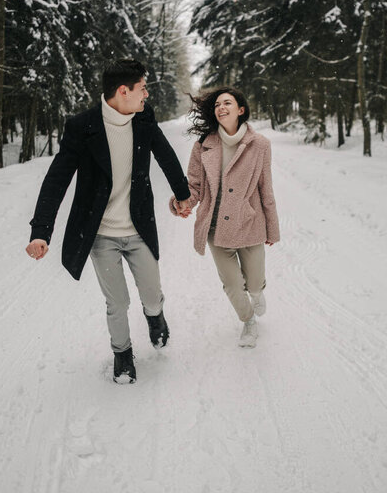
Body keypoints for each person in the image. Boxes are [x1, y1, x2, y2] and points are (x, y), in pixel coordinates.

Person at [26, 59, 190, 384]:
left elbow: (165, 153)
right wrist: (40, 231)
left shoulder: (143, 117)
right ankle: (123, 355)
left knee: (152, 293)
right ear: (123, 91)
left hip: (139, 228)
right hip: (101, 235)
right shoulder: (82, 127)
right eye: (143, 88)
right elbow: (57, 179)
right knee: (117, 302)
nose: (146, 95)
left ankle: (155, 317)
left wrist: (182, 193)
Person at [170, 86, 280, 347]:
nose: (221, 107)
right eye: (218, 104)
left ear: (240, 110)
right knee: (232, 284)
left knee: (253, 283)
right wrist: (181, 202)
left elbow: (266, 188)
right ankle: (248, 321)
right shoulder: (204, 145)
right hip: (216, 228)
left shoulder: (260, 145)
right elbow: (194, 185)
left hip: (250, 225)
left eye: (227, 103)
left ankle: (257, 292)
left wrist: (272, 230)